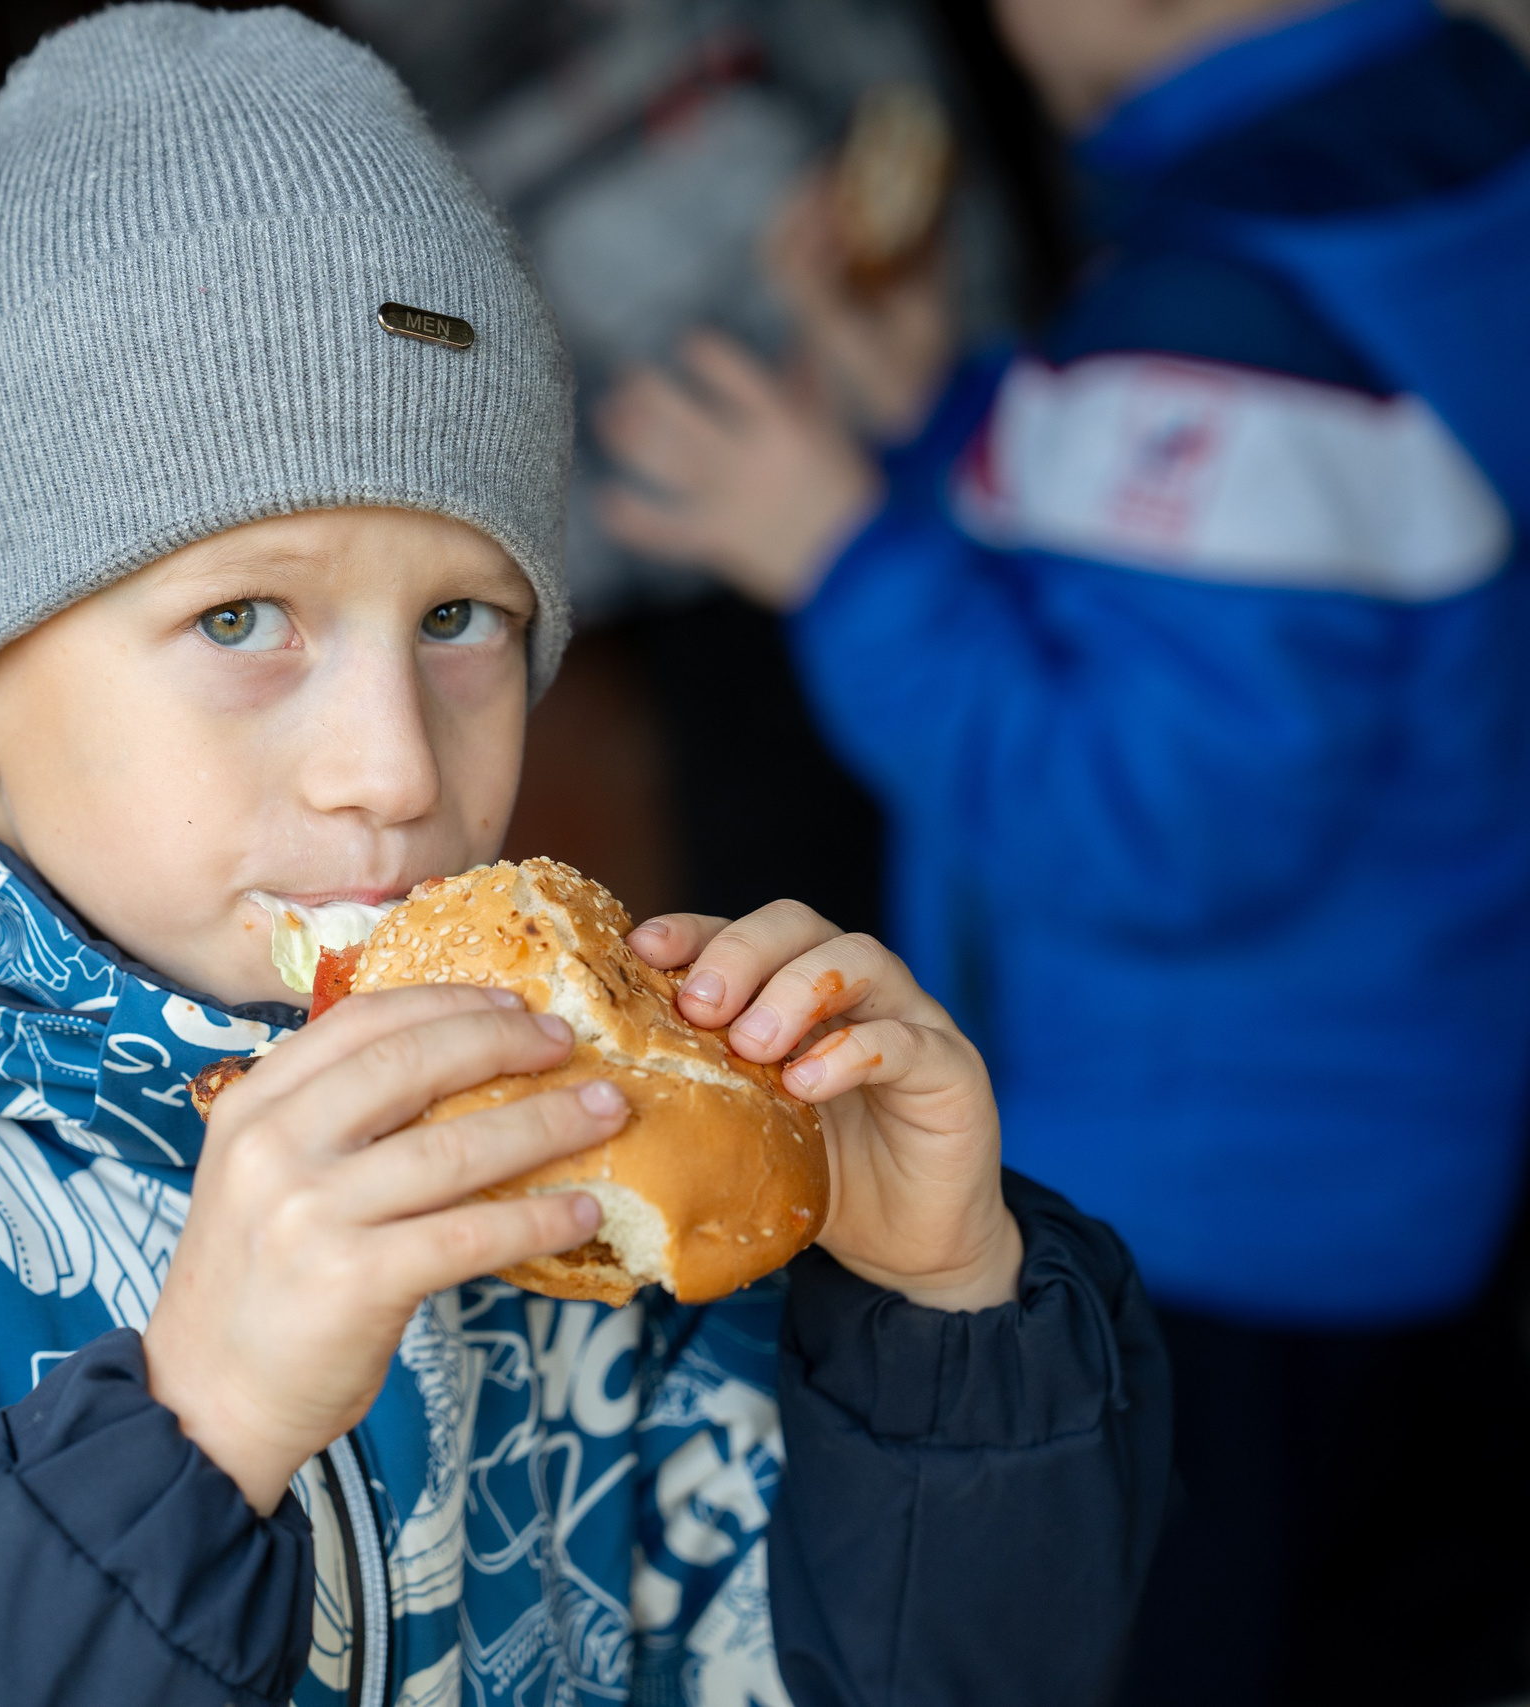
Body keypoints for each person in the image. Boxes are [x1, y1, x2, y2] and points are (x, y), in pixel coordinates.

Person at [0, 9, 1171, 1705]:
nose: (393, 767)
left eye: (459, 618)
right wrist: (190, 1439)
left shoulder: (586, 1120)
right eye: (240, 618)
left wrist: (946, 1327)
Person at [591, 0, 1530, 1700]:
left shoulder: (1222, 313)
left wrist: (841, 549)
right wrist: (942, 415)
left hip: (1216, 1210)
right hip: (1403, 1146)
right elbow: (1176, 601)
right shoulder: (1428, 188)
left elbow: (1158, 821)